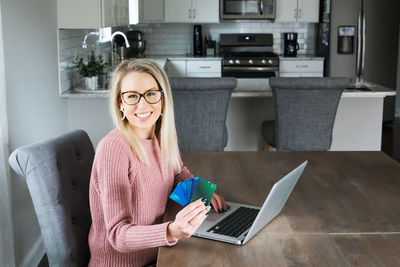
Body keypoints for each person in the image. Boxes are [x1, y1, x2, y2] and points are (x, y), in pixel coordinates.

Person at [88, 58, 229, 267]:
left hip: (161, 253)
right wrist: (172, 230)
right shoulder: (113, 149)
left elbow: (177, 172)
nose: (143, 104)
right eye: (132, 96)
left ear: (162, 98)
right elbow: (117, 235)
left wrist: (202, 194)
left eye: (151, 94)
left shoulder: (161, 133)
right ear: (120, 102)